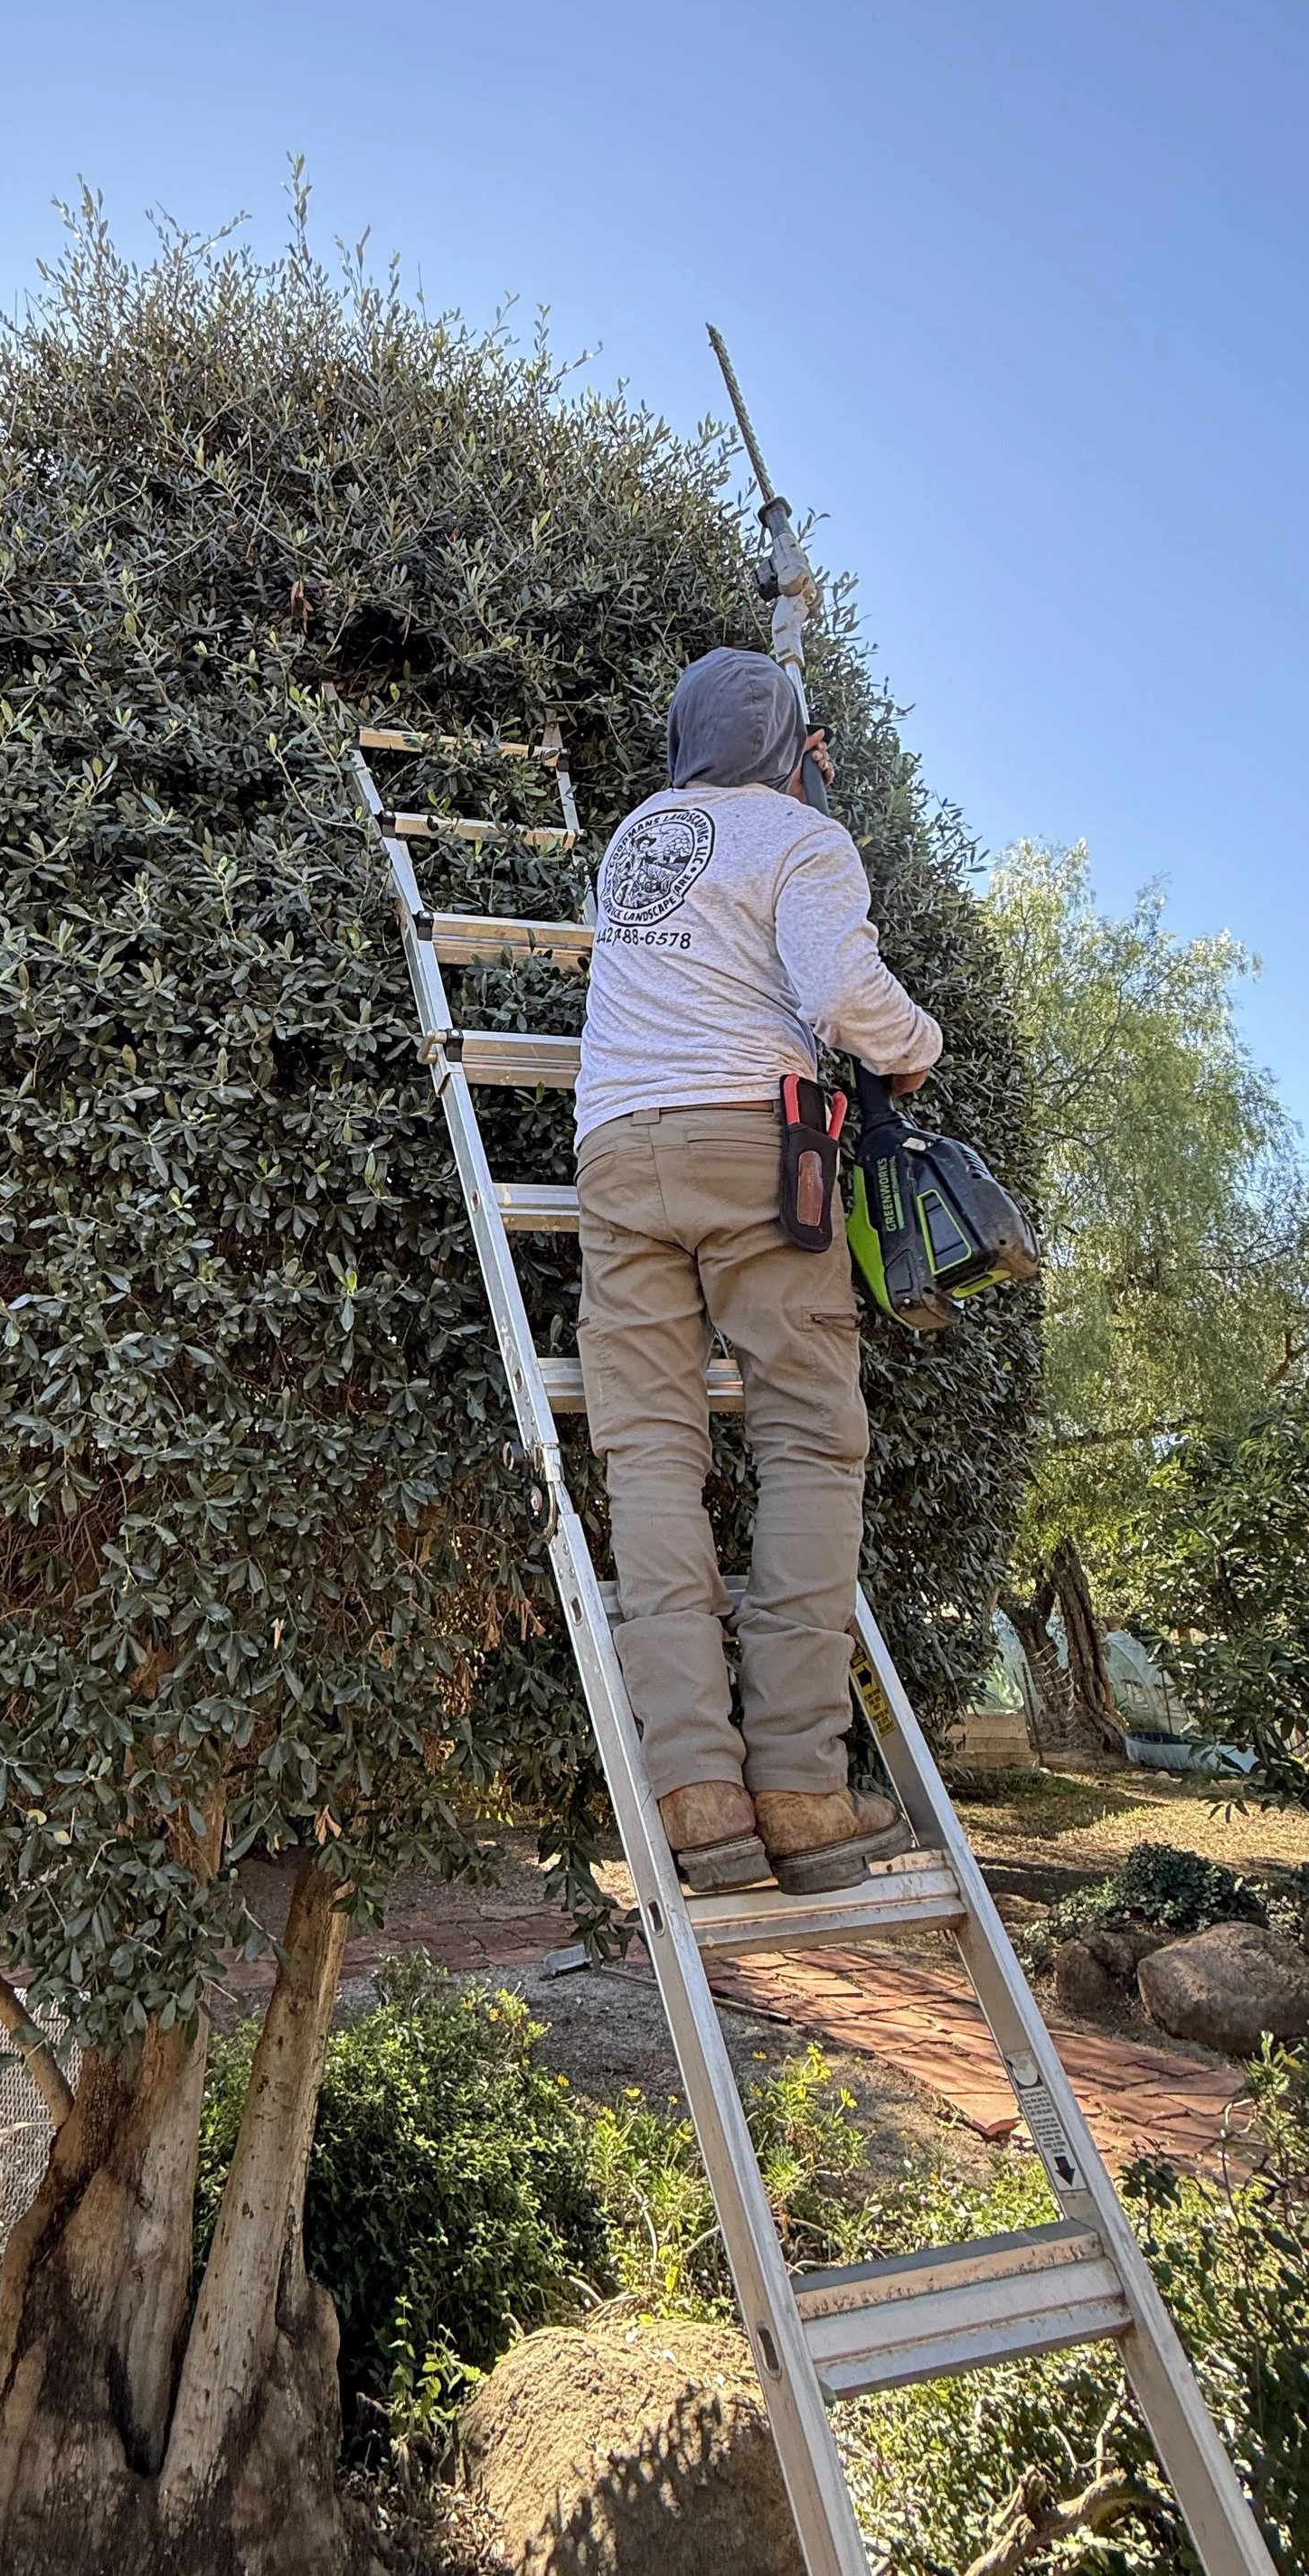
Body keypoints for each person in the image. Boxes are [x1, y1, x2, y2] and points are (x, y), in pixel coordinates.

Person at [574, 646, 942, 1898]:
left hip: (618, 1154)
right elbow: (840, 992)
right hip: (753, 1147)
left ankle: (696, 1795)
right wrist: (917, 1046)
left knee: (651, 1453)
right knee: (806, 1443)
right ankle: (797, 1783)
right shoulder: (799, 838)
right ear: (794, 746)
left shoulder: (634, 838)